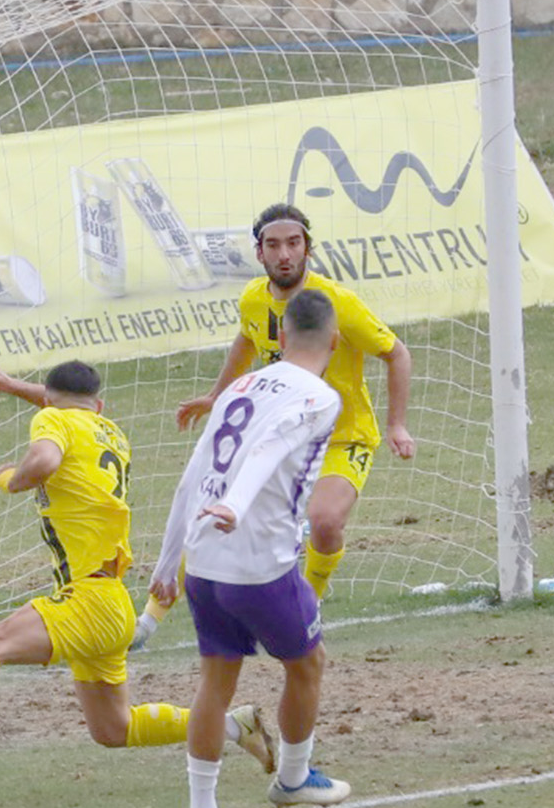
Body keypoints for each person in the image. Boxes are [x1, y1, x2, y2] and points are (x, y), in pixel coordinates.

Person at [0, 356, 275, 772]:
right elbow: (64, 406)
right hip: (113, 604)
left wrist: (8, 479)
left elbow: (43, 461)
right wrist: (12, 387)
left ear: (52, 403)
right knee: (113, 729)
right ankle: (236, 727)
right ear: (98, 404)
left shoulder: (52, 421)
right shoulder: (112, 433)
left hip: (89, 599)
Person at [131, 200, 411, 648]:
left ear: (308, 249)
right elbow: (246, 339)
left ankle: (308, 604)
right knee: (215, 506)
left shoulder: (336, 303)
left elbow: (397, 353)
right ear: (259, 253)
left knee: (323, 521)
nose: (285, 254)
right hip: (277, 436)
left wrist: (397, 425)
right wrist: (216, 395)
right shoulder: (253, 299)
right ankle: (146, 622)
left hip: (342, 437)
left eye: (294, 243)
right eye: (274, 245)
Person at [149, 288, 355, 808]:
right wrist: (238, 507)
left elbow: (192, 473)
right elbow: (271, 446)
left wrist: (169, 561)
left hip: (204, 562)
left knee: (215, 683)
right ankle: (293, 778)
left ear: (281, 338)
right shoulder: (320, 396)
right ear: (333, 342)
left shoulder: (238, 386)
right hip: (259, 564)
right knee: (307, 662)